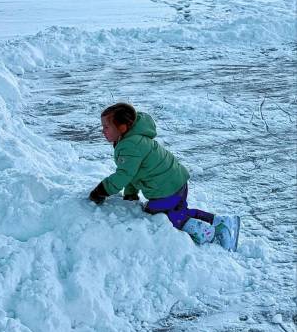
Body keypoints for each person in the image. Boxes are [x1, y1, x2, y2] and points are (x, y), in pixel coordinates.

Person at [89, 103, 240, 251]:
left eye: (106, 127)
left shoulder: (130, 145)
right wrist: (131, 193)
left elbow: (124, 175)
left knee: (164, 216)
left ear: (121, 128)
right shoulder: (133, 139)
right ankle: (221, 221)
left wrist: (100, 191)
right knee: (178, 211)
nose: (103, 131)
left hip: (166, 188)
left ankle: (213, 235)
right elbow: (133, 171)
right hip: (175, 182)